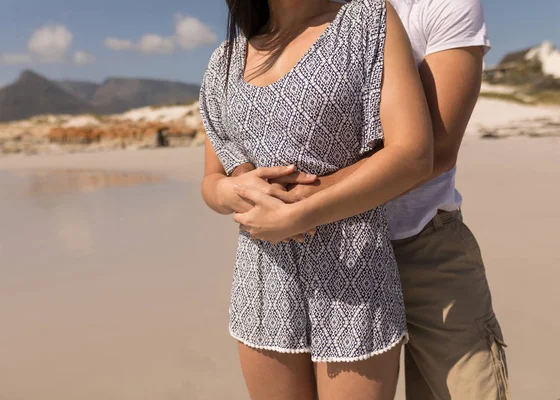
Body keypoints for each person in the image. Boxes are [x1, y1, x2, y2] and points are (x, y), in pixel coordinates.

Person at [229, 0, 510, 398]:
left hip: (422, 243)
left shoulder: (442, 4)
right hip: (329, 249)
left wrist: (297, 203)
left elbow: (437, 150)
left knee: (471, 390)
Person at [200, 0, 433, 398]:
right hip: (262, 279)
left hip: (354, 273)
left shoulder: (366, 20)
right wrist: (230, 191)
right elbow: (212, 180)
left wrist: (303, 213)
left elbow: (413, 155)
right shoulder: (225, 58)